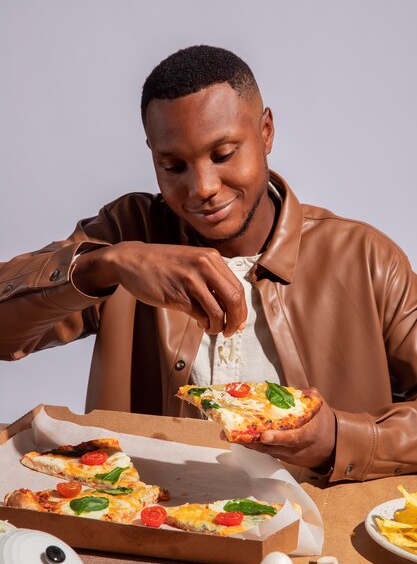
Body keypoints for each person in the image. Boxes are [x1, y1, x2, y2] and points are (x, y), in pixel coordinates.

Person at [1, 45, 416, 483]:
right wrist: (107, 263)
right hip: (144, 532)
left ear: (267, 131)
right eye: (173, 165)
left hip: (316, 538)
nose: (202, 187)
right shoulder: (128, 232)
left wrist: (340, 439)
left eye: (223, 154)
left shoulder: (365, 258)